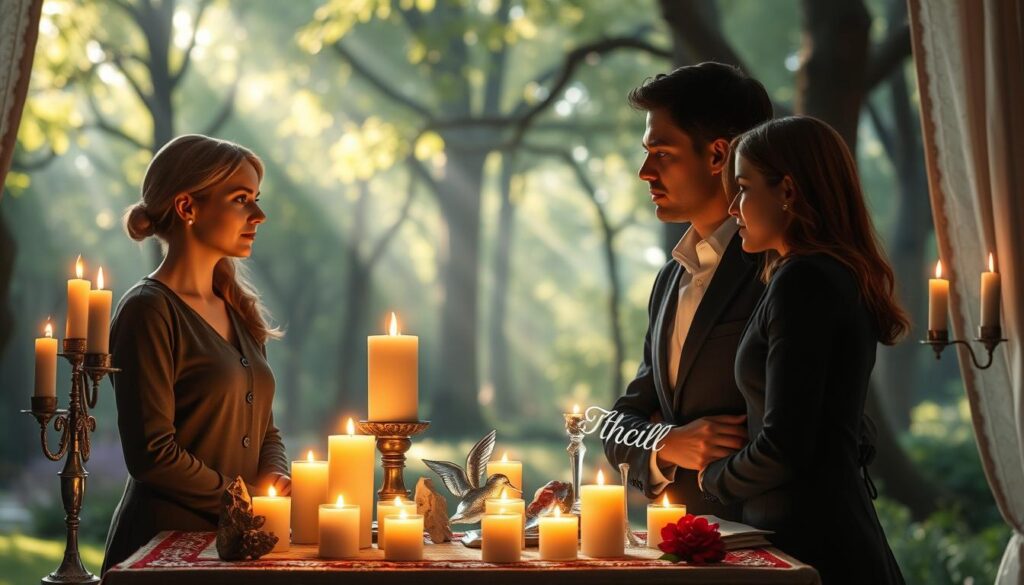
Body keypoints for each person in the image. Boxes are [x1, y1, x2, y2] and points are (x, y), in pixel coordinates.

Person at [700, 116, 907, 584]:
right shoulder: (819, 275)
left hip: (813, 543)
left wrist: (714, 478)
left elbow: (786, 445)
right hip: (818, 531)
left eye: (744, 187)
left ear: (788, 190)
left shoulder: (804, 281)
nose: (733, 207)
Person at [102, 135, 290, 574]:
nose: (259, 215)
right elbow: (153, 453)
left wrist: (275, 477)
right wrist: (241, 499)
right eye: (241, 199)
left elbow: (266, 430)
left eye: (255, 199)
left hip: (234, 546)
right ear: (188, 208)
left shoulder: (238, 310)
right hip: (162, 549)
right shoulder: (147, 310)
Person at [602, 62, 773, 519]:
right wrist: (666, 442)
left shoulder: (778, 269)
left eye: (662, 153)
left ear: (718, 156)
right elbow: (618, 428)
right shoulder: (670, 280)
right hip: (687, 543)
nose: (644, 172)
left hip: (777, 545)